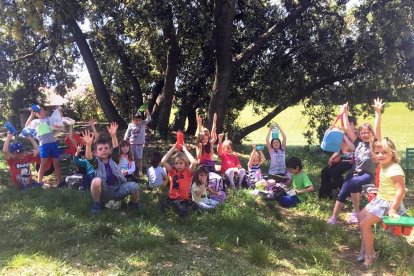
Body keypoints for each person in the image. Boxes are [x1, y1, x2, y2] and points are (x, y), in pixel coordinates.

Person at [327, 98, 384, 225]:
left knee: (353, 183)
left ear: (372, 134)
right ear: (359, 134)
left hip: (368, 173)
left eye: (367, 132)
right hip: (354, 172)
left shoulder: (375, 143)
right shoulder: (357, 143)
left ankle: (356, 212)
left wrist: (378, 113)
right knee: (343, 192)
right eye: (362, 133)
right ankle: (334, 218)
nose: (365, 135)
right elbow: (347, 128)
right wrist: (344, 114)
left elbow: (377, 127)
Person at [357, 137, 406, 268]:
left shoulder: (394, 169)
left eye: (384, 152)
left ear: (392, 152)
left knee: (364, 224)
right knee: (360, 217)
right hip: (380, 199)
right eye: (377, 152)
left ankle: (370, 256)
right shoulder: (383, 165)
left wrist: (393, 209)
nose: (380, 155)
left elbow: (401, 191)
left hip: (388, 204)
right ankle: (368, 249)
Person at [82, 123, 140, 214]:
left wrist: (113, 136)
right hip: (105, 192)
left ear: (110, 151)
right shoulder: (96, 163)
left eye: (106, 148)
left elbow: (116, 148)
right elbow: (89, 157)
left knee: (134, 186)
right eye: (100, 149)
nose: (103, 150)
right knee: (95, 181)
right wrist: (88, 145)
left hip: (119, 189)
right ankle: (97, 204)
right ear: (96, 153)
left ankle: (133, 204)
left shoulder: (115, 158)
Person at [319, 116, 357, 199]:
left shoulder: (356, 135)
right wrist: (332, 157)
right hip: (344, 159)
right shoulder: (343, 134)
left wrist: (344, 137)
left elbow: (352, 149)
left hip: (352, 160)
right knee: (325, 171)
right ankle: (325, 195)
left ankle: (346, 193)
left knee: (334, 172)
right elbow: (339, 148)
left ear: (351, 124)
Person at [25, 105, 62, 185]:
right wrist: (31, 115)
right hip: (44, 145)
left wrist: (59, 111)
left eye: (41, 109)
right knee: (43, 165)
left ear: (45, 111)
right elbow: (26, 127)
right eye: (37, 110)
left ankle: (59, 182)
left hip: (53, 144)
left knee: (56, 164)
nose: (39, 111)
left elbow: (59, 120)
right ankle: (39, 182)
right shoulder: (35, 122)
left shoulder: (49, 119)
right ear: (36, 113)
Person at [161, 143, 197, 217]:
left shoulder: (188, 172)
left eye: (181, 163)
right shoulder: (172, 171)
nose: (178, 165)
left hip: (182, 200)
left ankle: (188, 206)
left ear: (186, 163)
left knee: (183, 212)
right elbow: (163, 161)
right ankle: (175, 208)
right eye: (176, 163)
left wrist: (185, 150)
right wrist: (173, 148)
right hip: (171, 198)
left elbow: (193, 162)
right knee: (164, 206)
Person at [124, 109, 151, 176]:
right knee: (131, 158)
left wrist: (147, 111)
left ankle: (140, 171)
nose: (138, 122)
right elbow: (127, 133)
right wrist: (125, 140)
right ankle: (131, 171)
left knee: (139, 158)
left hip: (140, 145)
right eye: (136, 120)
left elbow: (149, 119)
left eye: (139, 120)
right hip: (131, 144)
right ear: (133, 120)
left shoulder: (143, 123)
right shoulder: (130, 125)